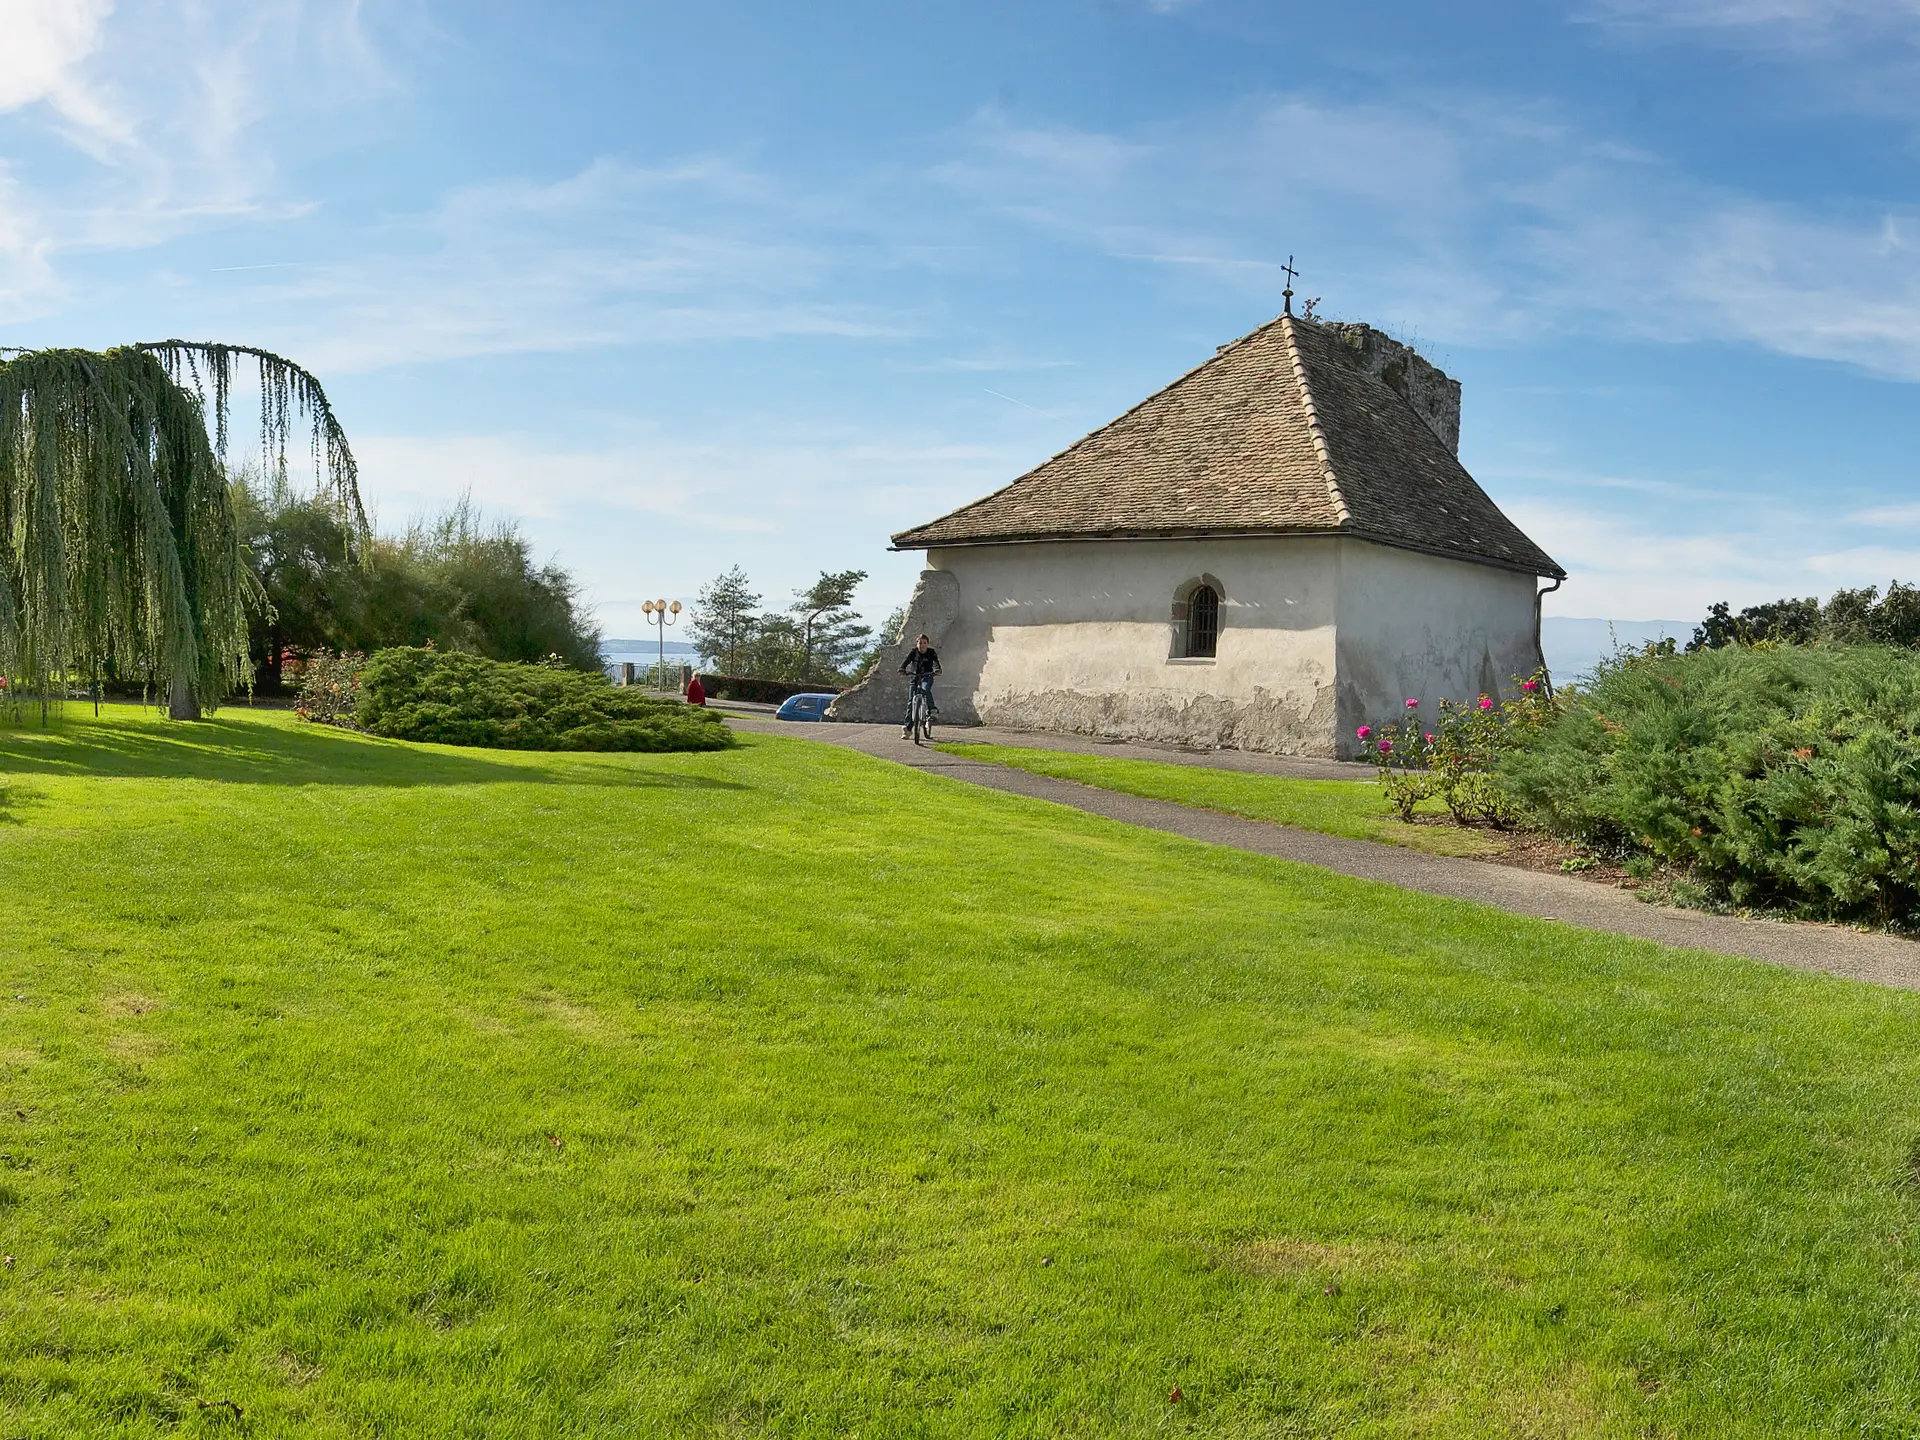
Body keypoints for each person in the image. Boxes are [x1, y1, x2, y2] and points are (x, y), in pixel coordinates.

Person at [898, 633, 941, 736]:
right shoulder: (914, 652)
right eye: (920, 643)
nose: (922, 645)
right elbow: (906, 661)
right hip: (915, 677)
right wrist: (902, 668)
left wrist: (937, 669)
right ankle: (908, 729)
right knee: (910, 702)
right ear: (917, 644)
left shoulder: (931, 652)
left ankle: (932, 710)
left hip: (927, 677)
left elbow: (936, 662)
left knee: (925, 689)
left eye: (924, 643)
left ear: (927, 644)